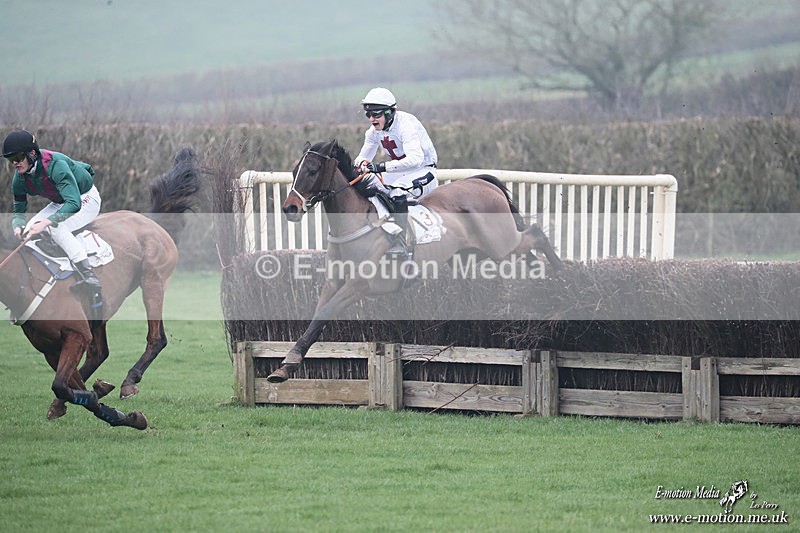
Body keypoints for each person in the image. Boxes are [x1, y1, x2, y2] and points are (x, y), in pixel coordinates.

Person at [3, 130, 102, 290]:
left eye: (19, 158)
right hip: (63, 200)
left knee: (56, 226)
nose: (15, 163)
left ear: (32, 153)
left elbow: (74, 203)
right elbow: (19, 208)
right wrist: (18, 225)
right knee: (29, 230)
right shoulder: (19, 178)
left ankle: (88, 275)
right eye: (11, 159)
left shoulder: (56, 166)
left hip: (85, 197)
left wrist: (47, 222)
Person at [354, 87, 438, 257]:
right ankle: (381, 228)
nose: (371, 119)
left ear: (390, 112)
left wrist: (382, 167)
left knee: (398, 190)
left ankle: (400, 242)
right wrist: (359, 165)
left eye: (376, 114)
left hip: (423, 170)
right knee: (366, 184)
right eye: (368, 114)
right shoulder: (372, 132)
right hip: (401, 172)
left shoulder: (406, 125)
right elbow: (362, 158)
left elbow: (416, 159)